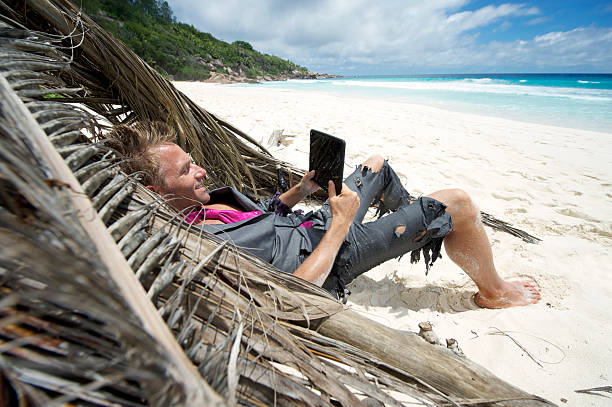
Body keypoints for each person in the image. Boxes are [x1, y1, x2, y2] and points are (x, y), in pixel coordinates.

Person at [111, 121, 541, 308]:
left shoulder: (203, 206)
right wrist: (340, 224)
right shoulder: (200, 245)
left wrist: (302, 189)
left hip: (316, 225)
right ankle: (494, 292)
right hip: (333, 255)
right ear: (156, 191)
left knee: (375, 163)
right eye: (187, 170)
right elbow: (294, 290)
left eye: (193, 160)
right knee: (459, 202)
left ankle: (411, 227)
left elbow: (261, 217)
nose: (201, 169)